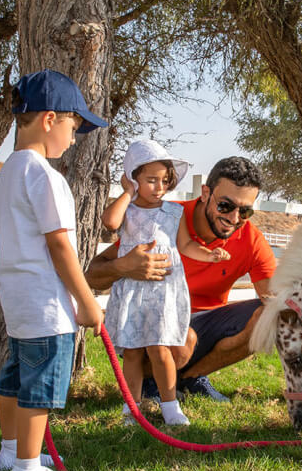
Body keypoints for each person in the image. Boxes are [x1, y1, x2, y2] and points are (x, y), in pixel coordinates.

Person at [0, 69, 106, 471]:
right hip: (45, 301)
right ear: (49, 119)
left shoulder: (10, 170)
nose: (73, 139)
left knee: (15, 375)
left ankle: (10, 451)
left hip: (18, 297)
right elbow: (60, 246)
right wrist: (87, 301)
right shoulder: (45, 176)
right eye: (73, 127)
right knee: (39, 386)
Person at [86, 155, 275, 403]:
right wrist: (124, 266)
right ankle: (151, 383)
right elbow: (93, 276)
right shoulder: (165, 218)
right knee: (184, 339)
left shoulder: (251, 240)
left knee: (270, 315)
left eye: (246, 210)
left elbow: (279, 302)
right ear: (206, 193)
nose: (234, 218)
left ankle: (191, 378)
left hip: (206, 323)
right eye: (226, 206)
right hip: (154, 324)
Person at [101, 139, 231, 427]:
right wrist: (127, 193)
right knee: (133, 351)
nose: (158, 187)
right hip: (134, 290)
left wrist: (209, 255)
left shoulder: (174, 212)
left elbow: (184, 245)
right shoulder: (128, 210)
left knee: (160, 349)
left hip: (163, 291)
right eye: (149, 180)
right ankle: (131, 408)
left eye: (163, 180)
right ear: (133, 178)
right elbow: (110, 223)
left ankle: (170, 405)